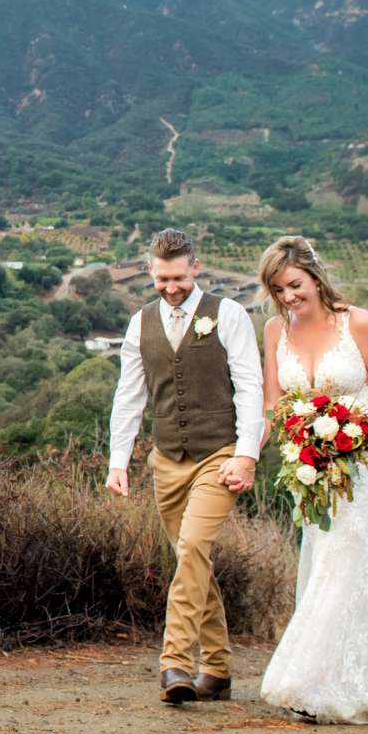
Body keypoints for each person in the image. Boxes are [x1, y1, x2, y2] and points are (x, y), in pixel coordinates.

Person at [253, 235, 368, 724]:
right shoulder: (275, 331)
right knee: (337, 558)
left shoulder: (358, 322)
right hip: (309, 463)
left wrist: (355, 435)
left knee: (345, 550)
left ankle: (304, 679)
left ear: (315, 277)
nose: (289, 297)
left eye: (295, 284)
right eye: (278, 290)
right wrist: (265, 448)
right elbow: (274, 403)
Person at [102, 228, 263, 704]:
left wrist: (247, 453)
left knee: (193, 545)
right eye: (161, 278)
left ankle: (174, 662)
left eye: (178, 277)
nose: (171, 287)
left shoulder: (228, 314)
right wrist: (118, 461)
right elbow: (129, 395)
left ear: (195, 268)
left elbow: (250, 387)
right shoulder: (141, 324)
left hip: (219, 452)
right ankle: (219, 670)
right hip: (166, 459)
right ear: (150, 272)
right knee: (192, 559)